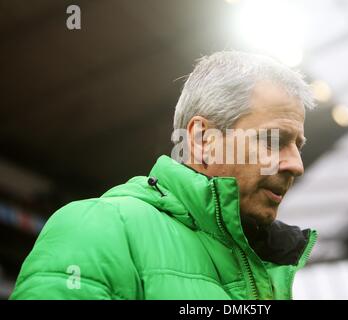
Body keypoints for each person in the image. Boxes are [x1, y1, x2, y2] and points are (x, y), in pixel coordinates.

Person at [11, 51, 317, 300]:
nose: (296, 165)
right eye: (274, 141)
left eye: (298, 146)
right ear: (202, 140)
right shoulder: (98, 227)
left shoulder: (269, 263)